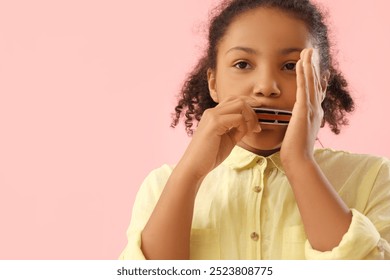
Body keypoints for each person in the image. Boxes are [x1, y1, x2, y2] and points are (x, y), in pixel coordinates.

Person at [119, 0, 390, 260]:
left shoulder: (372, 178)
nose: (266, 86)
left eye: (290, 66)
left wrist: (299, 163)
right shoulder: (162, 185)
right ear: (213, 83)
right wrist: (189, 174)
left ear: (320, 84)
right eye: (243, 64)